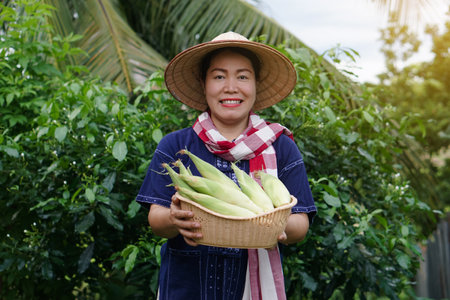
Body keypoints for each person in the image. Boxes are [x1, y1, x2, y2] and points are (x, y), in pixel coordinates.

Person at [136, 31, 317, 300]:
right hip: (186, 289)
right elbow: (156, 220)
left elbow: (300, 222)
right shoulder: (176, 145)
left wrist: (276, 225)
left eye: (243, 76)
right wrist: (174, 219)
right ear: (203, 83)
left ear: (256, 84)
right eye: (219, 76)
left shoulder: (280, 146)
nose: (231, 87)